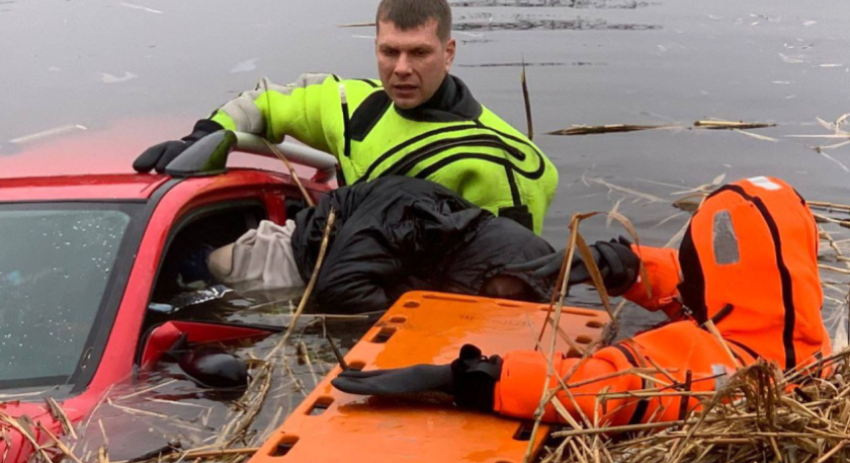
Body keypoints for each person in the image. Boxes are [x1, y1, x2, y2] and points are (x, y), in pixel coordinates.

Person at [332, 176, 833, 427]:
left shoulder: (708, 366)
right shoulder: (804, 340)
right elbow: (724, 290)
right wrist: (625, 265)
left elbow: (595, 387)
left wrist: (463, 378)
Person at [133, 0, 558, 234]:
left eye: (420, 53)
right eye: (389, 52)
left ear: (448, 53)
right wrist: (207, 136)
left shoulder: (503, 163)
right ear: (375, 46)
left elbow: (508, 282)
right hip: (349, 262)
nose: (402, 68)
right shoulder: (353, 106)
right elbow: (263, 103)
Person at [189, 176, 637, 313]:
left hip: (349, 251)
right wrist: (424, 310)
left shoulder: (483, 248)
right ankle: (187, 262)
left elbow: (545, 276)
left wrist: (609, 265)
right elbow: (338, 289)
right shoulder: (403, 219)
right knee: (216, 266)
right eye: (500, 293)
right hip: (288, 259)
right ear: (481, 268)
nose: (497, 302)